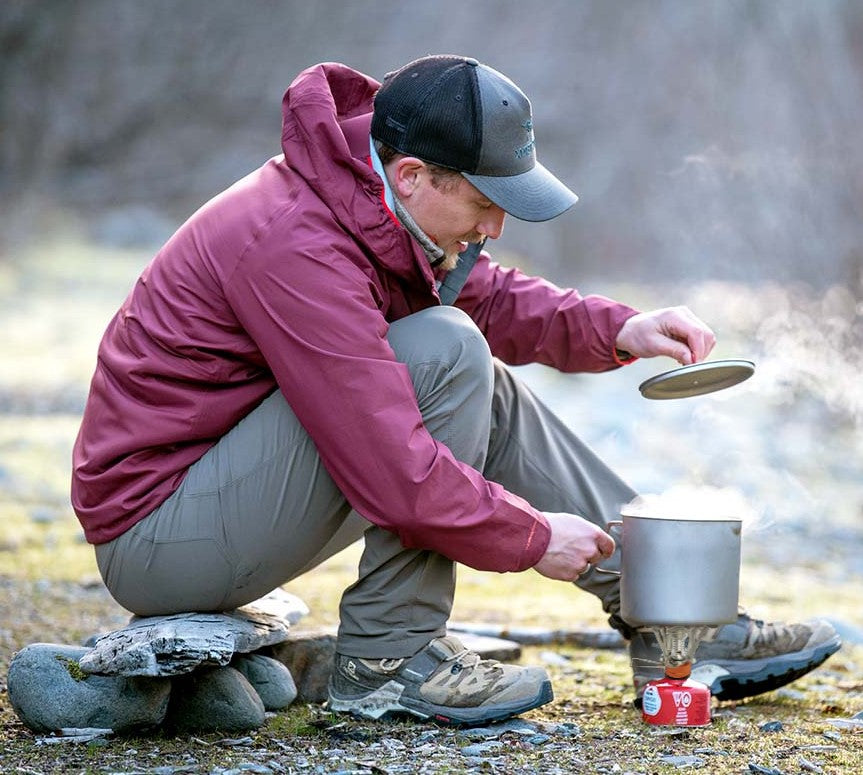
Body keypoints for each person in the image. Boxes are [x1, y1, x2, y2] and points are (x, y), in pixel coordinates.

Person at [72, 54, 840, 726]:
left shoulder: (366, 204)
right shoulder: (294, 244)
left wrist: (622, 327)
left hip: (220, 499)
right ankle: (388, 662)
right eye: (483, 203)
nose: (496, 226)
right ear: (412, 175)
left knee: (466, 361)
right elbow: (390, 468)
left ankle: (675, 621)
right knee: (444, 351)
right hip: (162, 538)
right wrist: (534, 537)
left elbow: (487, 297)